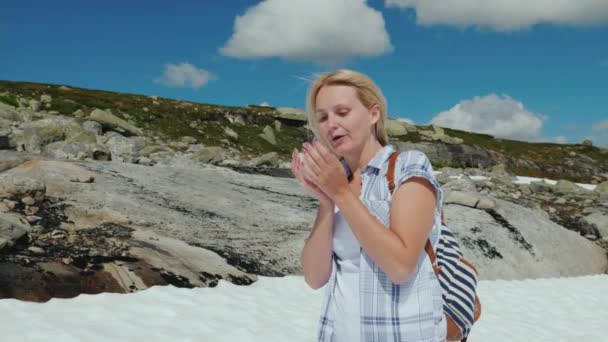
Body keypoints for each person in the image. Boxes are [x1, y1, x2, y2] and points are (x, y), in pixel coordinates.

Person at [291, 69, 447, 342]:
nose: (331, 125)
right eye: (323, 118)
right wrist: (326, 201)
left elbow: (400, 267)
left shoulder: (407, 166)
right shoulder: (338, 181)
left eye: (342, 112)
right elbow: (315, 277)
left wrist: (341, 194)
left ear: (374, 114)